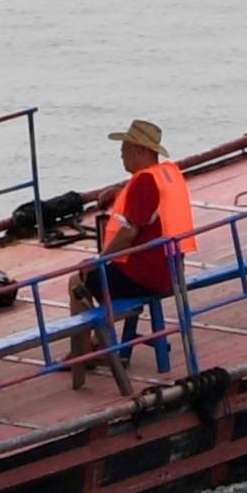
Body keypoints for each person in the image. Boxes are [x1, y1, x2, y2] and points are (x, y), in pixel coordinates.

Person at [67, 117, 191, 387]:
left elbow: (128, 233)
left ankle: (82, 356)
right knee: (103, 275)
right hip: (171, 267)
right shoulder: (166, 175)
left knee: (79, 279)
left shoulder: (144, 184)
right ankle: (99, 341)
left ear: (139, 151)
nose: (121, 154)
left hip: (147, 275)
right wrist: (121, 190)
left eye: (125, 149)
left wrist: (100, 260)